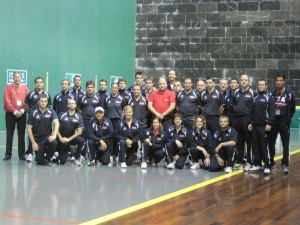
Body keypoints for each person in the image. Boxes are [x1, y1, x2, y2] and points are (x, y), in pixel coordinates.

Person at [268, 74, 296, 174]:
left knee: (285, 144)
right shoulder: (271, 93)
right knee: (271, 143)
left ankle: (285, 164)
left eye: (281, 80)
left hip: (284, 121)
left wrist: (288, 119)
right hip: (273, 121)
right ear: (275, 82)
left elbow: (292, 108)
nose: (279, 82)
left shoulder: (289, 94)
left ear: (284, 81)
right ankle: (271, 163)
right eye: (277, 80)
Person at [248, 79, 275, 175]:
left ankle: (267, 165)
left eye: (262, 85)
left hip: (264, 126)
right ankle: (257, 164)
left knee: (264, 146)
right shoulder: (255, 98)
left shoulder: (269, 98)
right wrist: (251, 122)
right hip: (255, 126)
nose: (260, 86)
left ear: (266, 86)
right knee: (255, 146)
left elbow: (272, 112)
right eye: (259, 85)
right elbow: (252, 112)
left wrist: (270, 124)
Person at [232, 74, 257, 171]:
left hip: (247, 119)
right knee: (239, 141)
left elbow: (255, 108)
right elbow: (234, 105)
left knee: (249, 142)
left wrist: (251, 121)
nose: (243, 81)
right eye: (242, 80)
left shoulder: (252, 92)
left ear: (248, 82)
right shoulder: (236, 92)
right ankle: (239, 160)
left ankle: (249, 161)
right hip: (237, 119)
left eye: (245, 80)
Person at [27, 94, 59, 166]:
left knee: (53, 141)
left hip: (47, 137)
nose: (43, 103)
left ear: (47, 102)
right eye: (41, 101)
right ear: (38, 102)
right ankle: (42, 156)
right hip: (37, 139)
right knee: (39, 162)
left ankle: (47, 157)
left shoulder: (51, 111)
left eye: (45, 101)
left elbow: (56, 123)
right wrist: (33, 143)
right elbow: (29, 128)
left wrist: (54, 135)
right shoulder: (33, 112)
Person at [3, 72, 29, 160]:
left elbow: (27, 101)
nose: (17, 79)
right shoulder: (8, 87)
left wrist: (22, 111)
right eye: (15, 77)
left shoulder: (25, 88)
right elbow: (7, 101)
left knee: (21, 135)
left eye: (19, 77)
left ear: (21, 78)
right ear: (13, 78)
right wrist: (14, 111)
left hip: (22, 114)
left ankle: (21, 154)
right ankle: (8, 154)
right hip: (10, 114)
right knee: (9, 134)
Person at [56, 99, 85, 166]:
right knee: (62, 162)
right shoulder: (61, 114)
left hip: (70, 138)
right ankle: (56, 154)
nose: (71, 105)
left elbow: (80, 132)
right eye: (70, 103)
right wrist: (60, 138)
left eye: (73, 103)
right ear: (67, 105)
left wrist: (69, 139)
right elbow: (56, 128)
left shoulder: (79, 117)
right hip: (61, 139)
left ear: (75, 105)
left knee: (81, 140)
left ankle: (76, 157)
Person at [104, 83, 126, 164]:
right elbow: (105, 110)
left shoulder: (121, 98)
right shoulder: (107, 98)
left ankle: (116, 155)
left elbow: (124, 109)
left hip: (118, 120)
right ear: (111, 88)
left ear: (118, 89)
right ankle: (110, 154)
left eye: (116, 88)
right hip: (109, 120)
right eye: (113, 87)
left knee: (117, 138)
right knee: (110, 138)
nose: (114, 89)